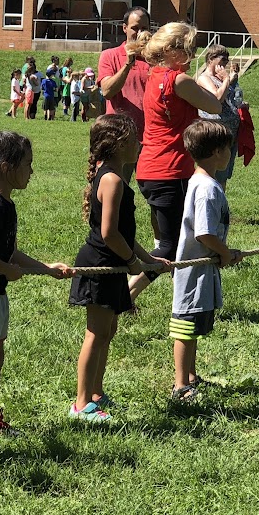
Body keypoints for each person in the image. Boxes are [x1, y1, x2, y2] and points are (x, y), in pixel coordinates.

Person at [0, 131, 71, 435]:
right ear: (7, 167)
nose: (32, 171)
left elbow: (9, 251)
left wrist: (46, 268)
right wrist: (6, 269)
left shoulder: (3, 203)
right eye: (28, 164)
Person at [68, 115, 164, 422]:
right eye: (135, 139)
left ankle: (96, 393)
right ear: (118, 144)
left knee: (108, 329)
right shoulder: (110, 180)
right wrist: (134, 264)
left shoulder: (111, 175)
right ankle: (81, 404)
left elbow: (124, 233)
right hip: (100, 264)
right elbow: (109, 233)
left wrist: (148, 258)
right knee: (95, 333)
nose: (140, 144)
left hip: (110, 262)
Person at [131, 23, 231, 304]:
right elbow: (214, 106)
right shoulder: (179, 80)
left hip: (153, 167)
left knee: (175, 241)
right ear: (171, 50)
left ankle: (184, 293)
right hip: (169, 170)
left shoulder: (155, 75)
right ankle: (125, 297)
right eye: (188, 48)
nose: (193, 52)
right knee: (170, 246)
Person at [169, 120, 243, 401]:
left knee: (194, 324)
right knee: (185, 326)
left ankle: (190, 376)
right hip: (193, 269)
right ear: (215, 152)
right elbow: (204, 233)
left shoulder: (202, 182)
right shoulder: (208, 189)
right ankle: (180, 387)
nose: (230, 153)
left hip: (203, 267)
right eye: (228, 148)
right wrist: (225, 252)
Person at [196, 44, 246, 188]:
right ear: (211, 58)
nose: (226, 62)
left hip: (230, 133)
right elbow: (217, 98)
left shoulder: (218, 78)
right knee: (215, 174)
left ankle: (220, 206)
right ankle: (215, 207)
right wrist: (226, 80)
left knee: (224, 174)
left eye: (227, 59)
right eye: (223, 59)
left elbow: (228, 98)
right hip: (216, 133)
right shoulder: (204, 78)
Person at [98, 7, 151, 136]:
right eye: (135, 28)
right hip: (118, 134)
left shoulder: (156, 60)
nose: (139, 33)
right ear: (124, 28)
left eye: (144, 28)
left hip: (149, 136)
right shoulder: (109, 55)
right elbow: (107, 91)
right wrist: (127, 65)